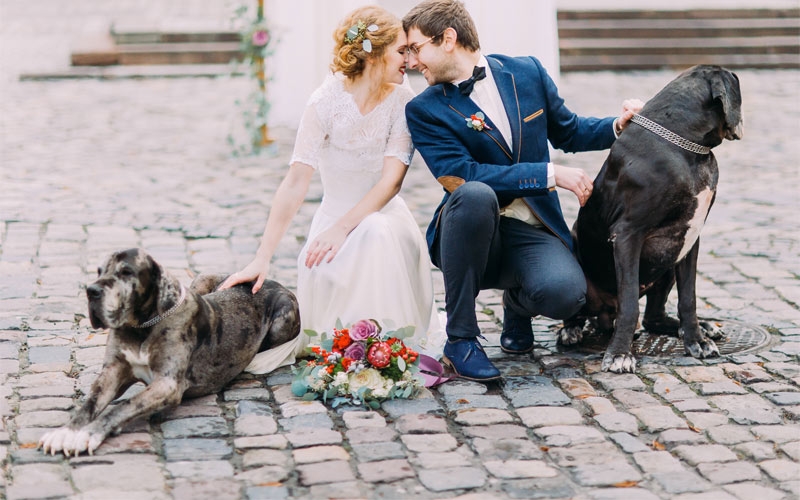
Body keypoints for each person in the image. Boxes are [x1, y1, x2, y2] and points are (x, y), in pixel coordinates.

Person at [402, 0, 643, 381]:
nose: (412, 62)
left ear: (448, 38)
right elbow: (459, 176)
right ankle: (461, 339)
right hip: (470, 229)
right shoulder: (424, 109)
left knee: (566, 295)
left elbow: (568, 130)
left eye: (415, 48)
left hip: (532, 226)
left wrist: (619, 125)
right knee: (476, 193)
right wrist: (548, 174)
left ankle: (518, 304)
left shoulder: (526, 72)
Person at [220, 5, 445, 374]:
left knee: (375, 232)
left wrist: (345, 228)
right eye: (401, 50)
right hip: (331, 221)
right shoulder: (324, 102)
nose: (409, 59)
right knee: (337, 254)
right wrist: (262, 257)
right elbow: (295, 183)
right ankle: (352, 348)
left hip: (386, 220)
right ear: (374, 50)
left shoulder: (404, 102)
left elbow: (391, 182)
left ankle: (386, 347)